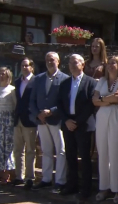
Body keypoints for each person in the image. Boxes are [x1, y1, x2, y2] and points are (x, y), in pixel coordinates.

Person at [57, 54, 97, 199]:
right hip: (68, 124)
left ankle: (86, 189)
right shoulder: (65, 83)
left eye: (75, 63)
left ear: (82, 65)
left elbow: (90, 105)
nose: (72, 65)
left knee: (85, 158)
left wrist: (77, 122)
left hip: (84, 124)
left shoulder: (90, 82)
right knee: (70, 156)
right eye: (70, 63)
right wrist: (67, 120)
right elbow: (59, 103)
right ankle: (72, 185)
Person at [29, 52, 68, 193]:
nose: (49, 62)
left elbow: (65, 101)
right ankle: (46, 179)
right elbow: (32, 100)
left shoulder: (65, 79)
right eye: (47, 60)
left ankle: (60, 181)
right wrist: (38, 114)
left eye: (52, 60)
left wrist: (51, 111)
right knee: (46, 151)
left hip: (56, 120)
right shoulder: (38, 79)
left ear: (58, 61)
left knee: (61, 151)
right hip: (42, 121)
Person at [92, 56, 118, 203]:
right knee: (103, 153)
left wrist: (103, 99)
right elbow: (94, 100)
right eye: (109, 63)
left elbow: (117, 97)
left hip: (117, 116)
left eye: (114, 63)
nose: (111, 65)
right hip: (101, 117)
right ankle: (104, 187)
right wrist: (107, 99)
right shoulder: (101, 81)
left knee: (117, 153)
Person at [12, 58, 37, 190]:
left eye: (27, 66)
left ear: (32, 67)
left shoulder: (36, 81)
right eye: (22, 65)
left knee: (30, 150)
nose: (24, 68)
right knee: (18, 150)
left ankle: (30, 178)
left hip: (30, 120)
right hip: (18, 119)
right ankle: (18, 176)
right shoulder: (17, 81)